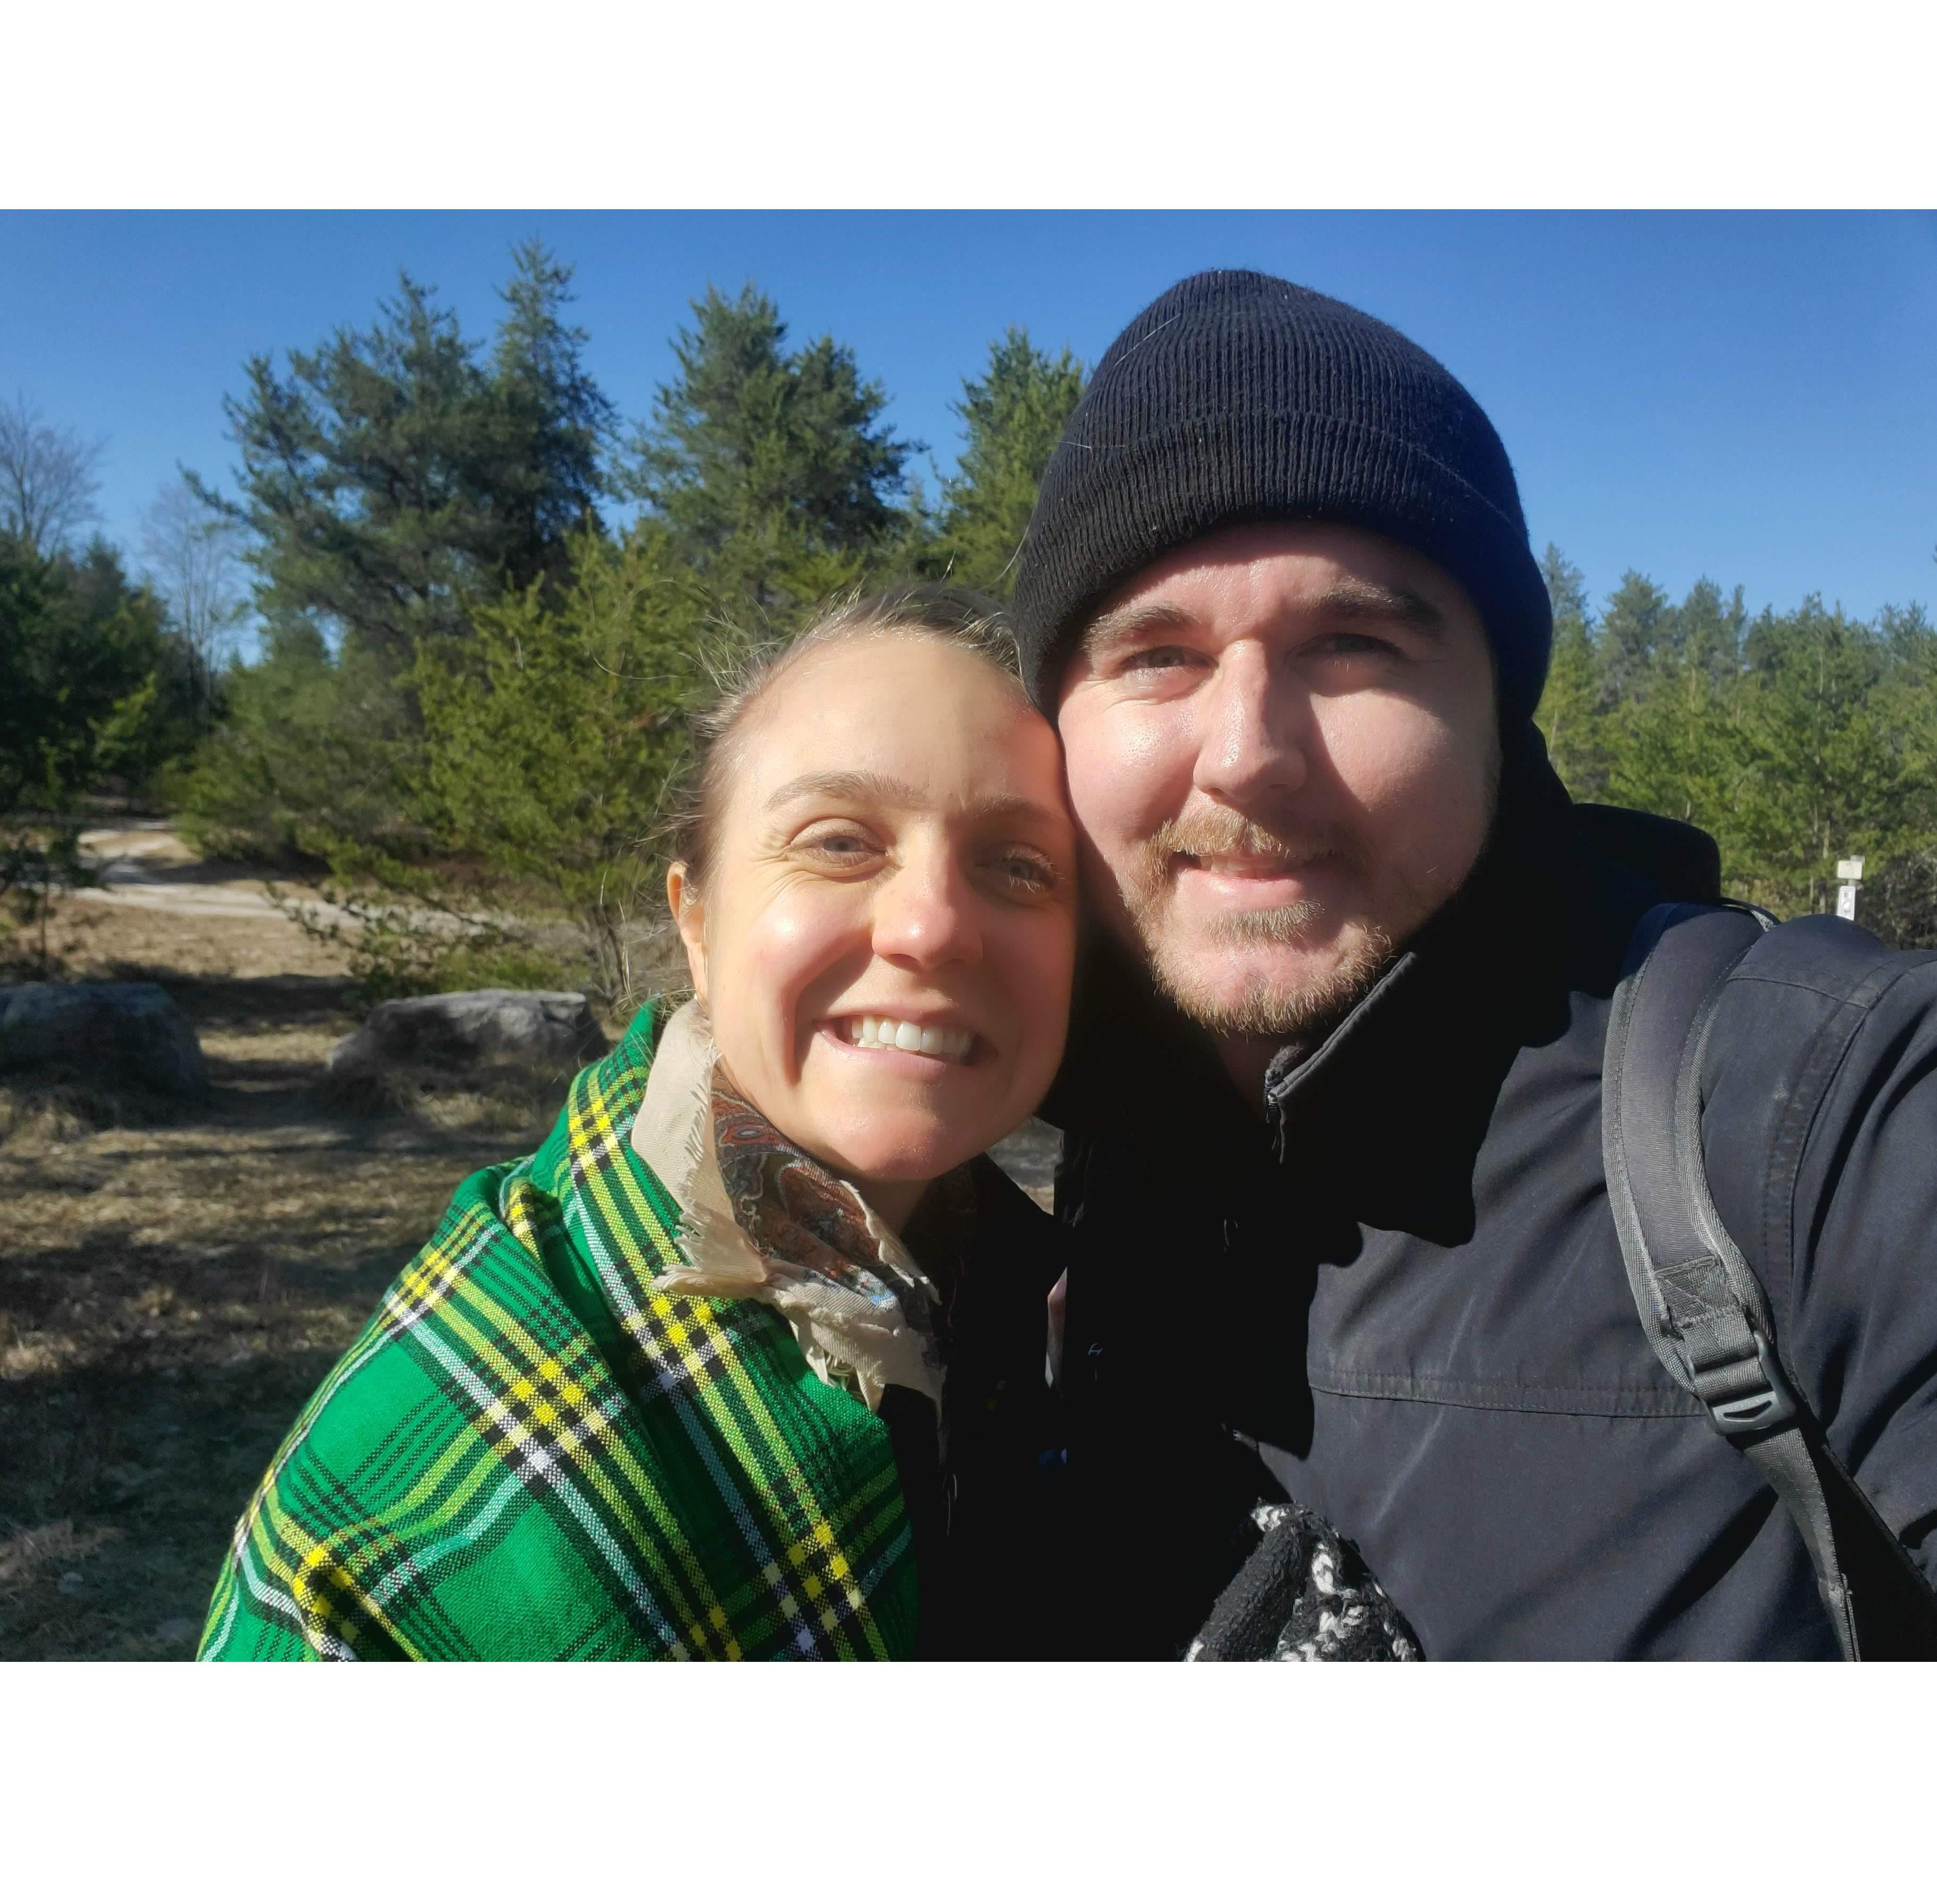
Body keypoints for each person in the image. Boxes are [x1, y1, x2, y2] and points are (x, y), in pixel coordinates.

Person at [1013, 268, 1937, 1659]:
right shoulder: (1076, 1128)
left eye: (1355, 645)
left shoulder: (1819, 1109)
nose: (1248, 753)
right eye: (1156, 656)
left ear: (1497, 709)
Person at [199, 588, 1077, 1660]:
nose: (935, 926)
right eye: (841, 841)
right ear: (696, 922)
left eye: (1020, 866)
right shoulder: (400, 1530)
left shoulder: (1022, 1294)